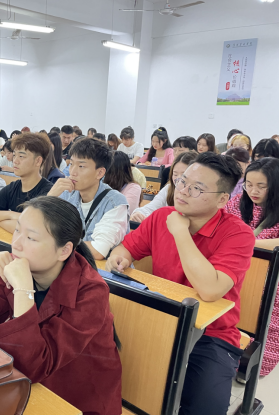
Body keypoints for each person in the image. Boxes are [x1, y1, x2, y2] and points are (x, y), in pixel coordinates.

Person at [107, 152, 254, 415]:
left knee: (203, 407)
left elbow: (210, 290)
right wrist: (120, 257)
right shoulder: (160, 216)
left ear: (223, 199)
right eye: (182, 181)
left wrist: (179, 231)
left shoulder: (238, 233)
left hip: (212, 335)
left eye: (197, 188)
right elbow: (125, 249)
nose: (183, 191)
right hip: (159, 319)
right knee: (119, 382)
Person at [0, 196, 122, 414]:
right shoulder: (20, 266)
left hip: (77, 398)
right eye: (17, 230)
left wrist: (23, 290)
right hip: (28, 386)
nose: (16, 243)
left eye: (31, 238)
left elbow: (33, 367)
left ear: (64, 251)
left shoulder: (91, 291)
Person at [224, 157, 279, 377]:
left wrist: (246, 243)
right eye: (249, 184)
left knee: (266, 313)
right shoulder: (238, 202)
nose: (253, 191)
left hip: (269, 279)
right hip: (235, 270)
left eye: (261, 186)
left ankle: (255, 365)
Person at [48, 139, 128, 260]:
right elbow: (36, 228)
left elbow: (98, 250)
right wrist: (50, 198)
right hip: (72, 263)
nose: (72, 172)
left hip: (101, 270)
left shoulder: (115, 203)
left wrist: (53, 245)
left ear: (100, 173)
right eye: (71, 164)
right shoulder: (66, 194)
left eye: (81, 166)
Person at [0, 133, 53, 233]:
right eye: (14, 155)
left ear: (38, 161)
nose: (15, 161)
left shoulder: (48, 191)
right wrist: (11, 215)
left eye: (21, 156)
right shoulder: (13, 187)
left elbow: (30, 229)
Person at [130, 151, 198, 223]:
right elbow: (151, 207)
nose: (178, 179)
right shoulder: (169, 188)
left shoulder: (198, 195)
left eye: (183, 175)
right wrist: (139, 213)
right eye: (175, 174)